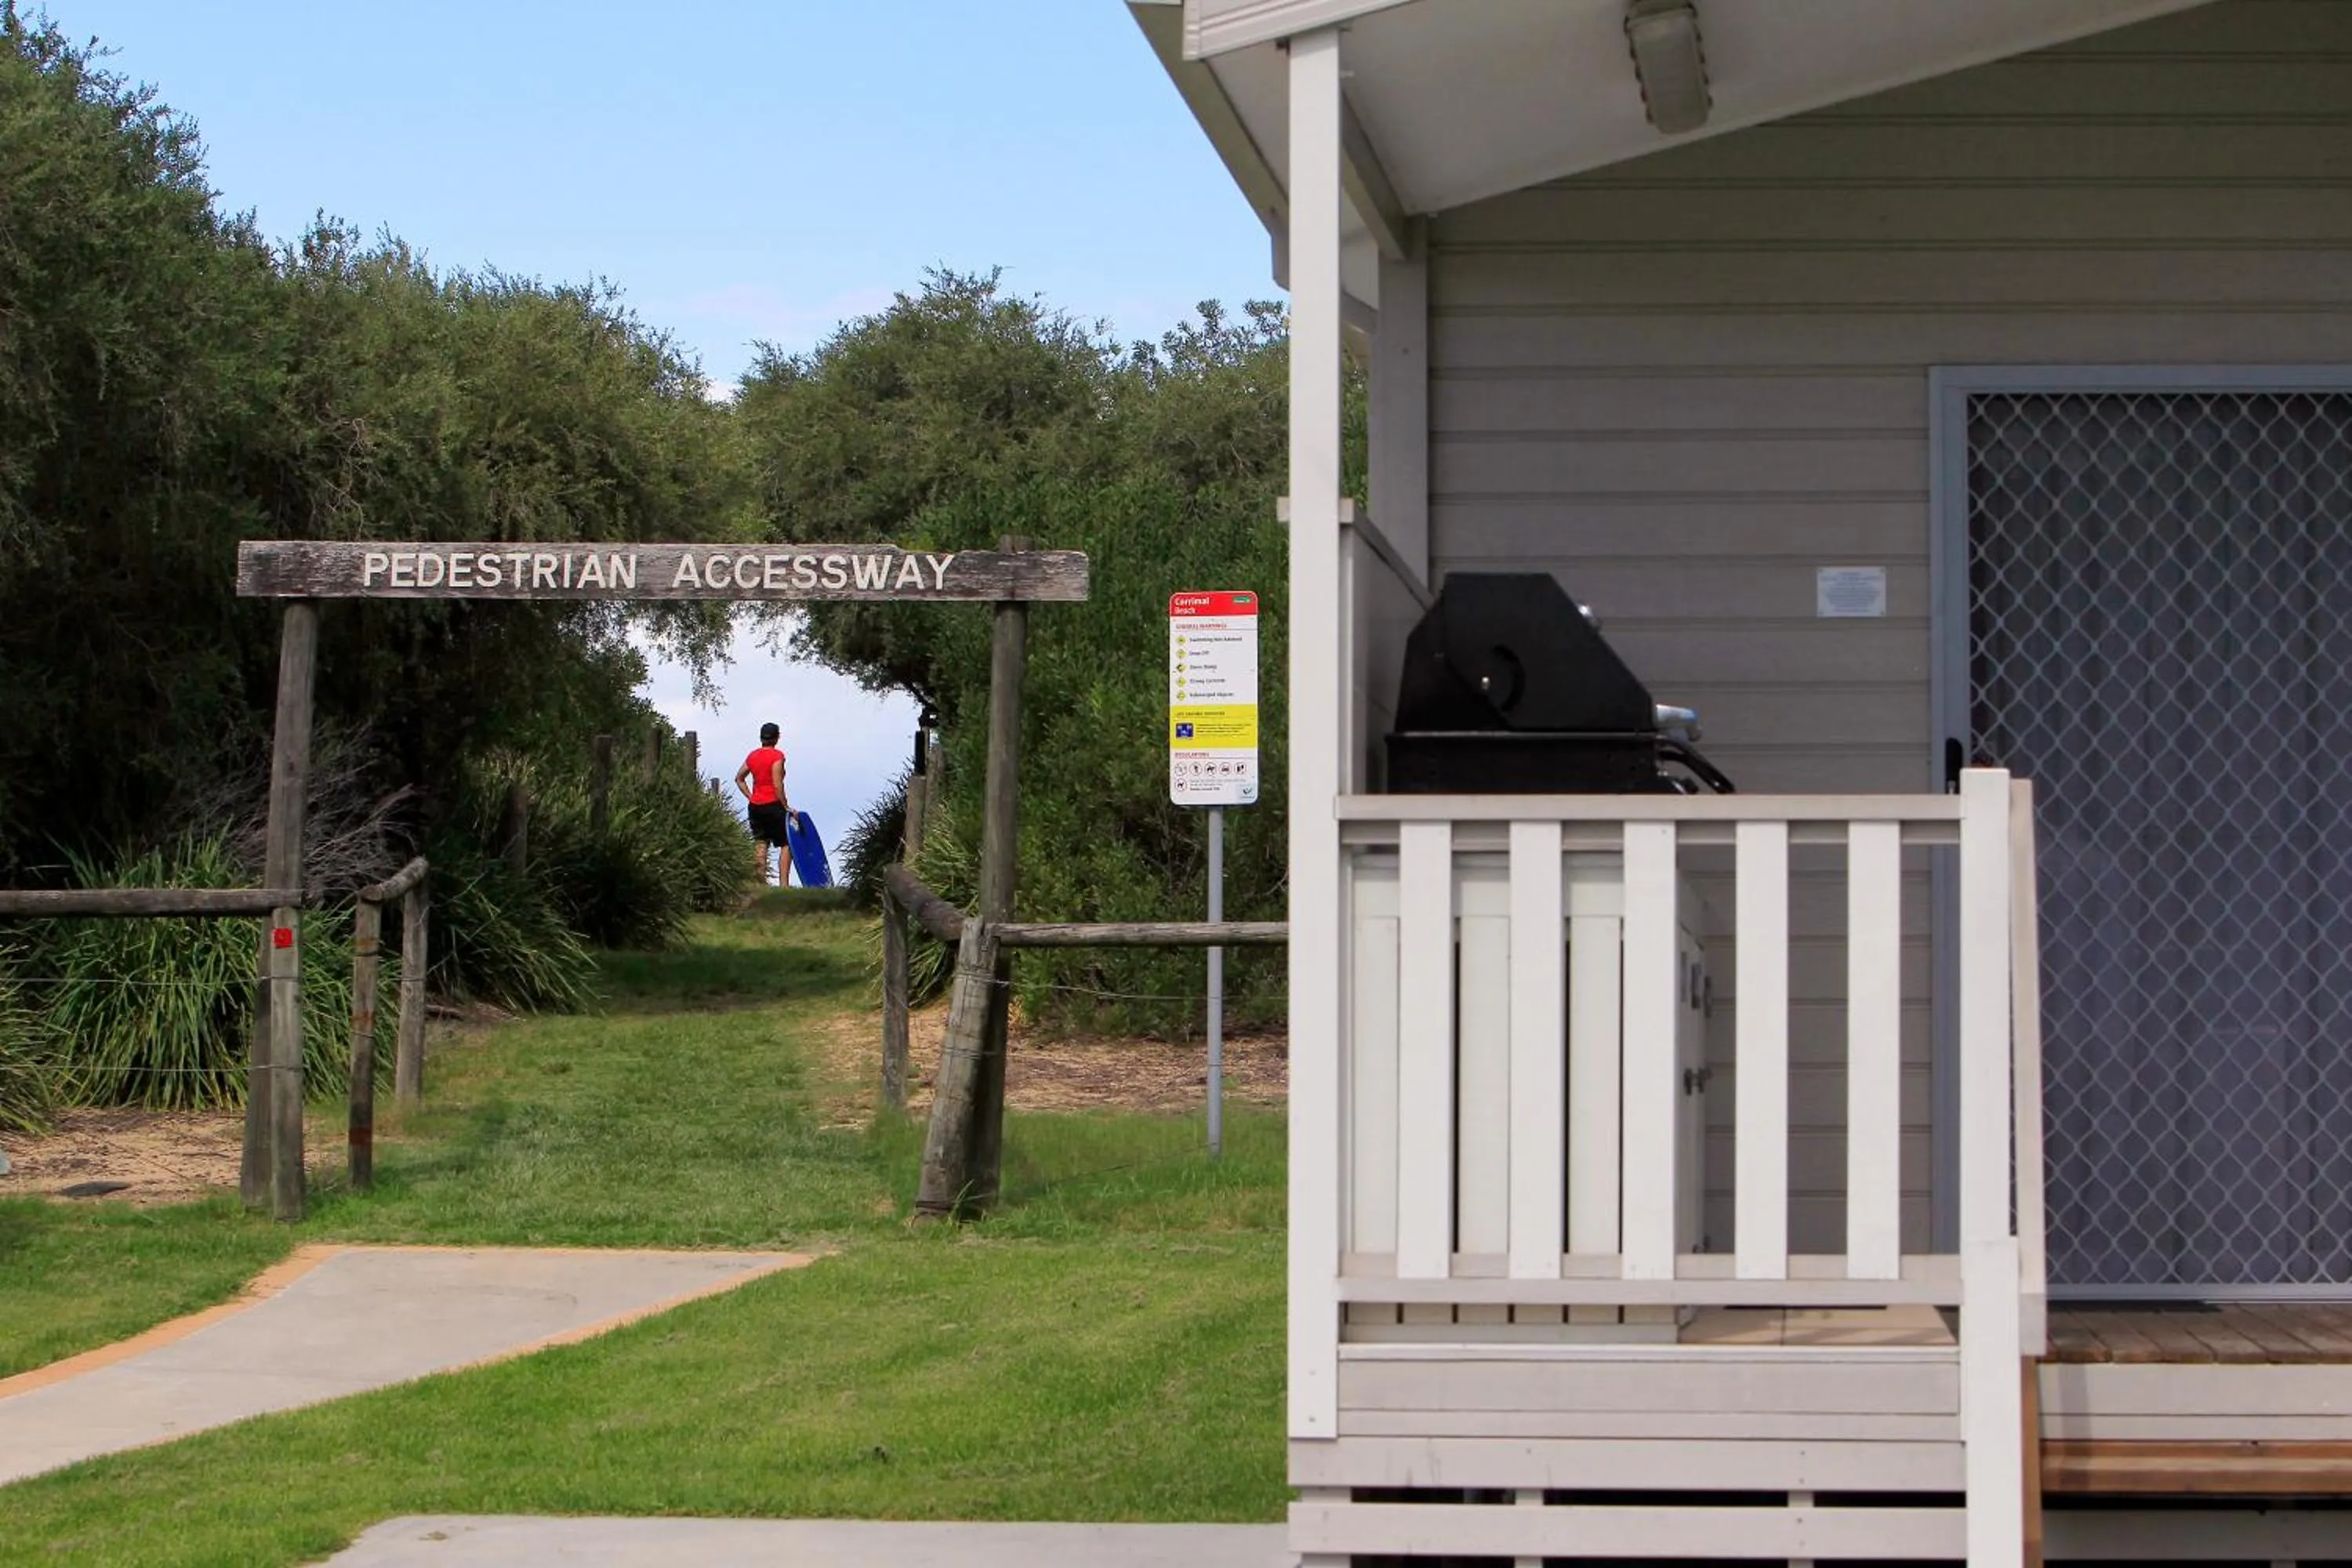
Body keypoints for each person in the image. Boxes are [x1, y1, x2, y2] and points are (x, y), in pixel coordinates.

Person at [735, 723, 793, 886]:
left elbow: (739, 778)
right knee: (786, 844)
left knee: (761, 843)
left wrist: (751, 796)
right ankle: (784, 885)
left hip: (755, 807)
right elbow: (777, 784)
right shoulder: (777, 756)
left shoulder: (753, 756)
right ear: (777, 737)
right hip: (773, 805)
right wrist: (786, 806)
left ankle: (760, 885)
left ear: (761, 737)